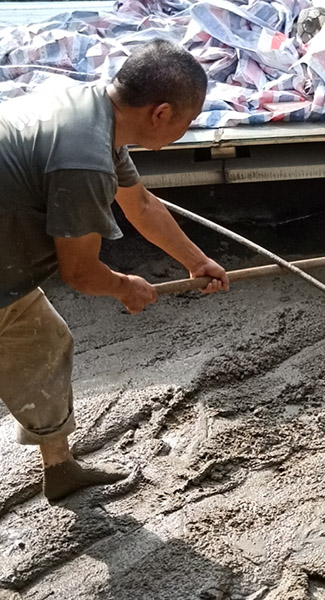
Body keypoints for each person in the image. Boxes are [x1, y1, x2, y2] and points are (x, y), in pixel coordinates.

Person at [0, 39, 230, 502]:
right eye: (188, 121)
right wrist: (126, 287)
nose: (186, 130)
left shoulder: (94, 114)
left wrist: (195, 261)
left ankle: (60, 468)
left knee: (44, 340)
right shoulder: (84, 159)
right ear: (161, 113)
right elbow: (80, 272)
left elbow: (141, 204)